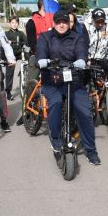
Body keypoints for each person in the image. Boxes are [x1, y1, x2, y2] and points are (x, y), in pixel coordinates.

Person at [36, 9, 101, 165]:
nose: (62, 25)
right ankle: (56, 139)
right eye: (58, 22)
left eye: (65, 22)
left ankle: (91, 150)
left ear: (69, 23)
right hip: (52, 80)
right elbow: (41, 54)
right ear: (54, 23)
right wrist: (43, 61)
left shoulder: (77, 37)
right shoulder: (46, 37)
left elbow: (81, 53)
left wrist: (81, 60)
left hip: (74, 81)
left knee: (84, 112)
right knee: (56, 103)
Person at [4, 16, 26, 100]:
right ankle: (8, 91)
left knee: (28, 62)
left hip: (19, 54)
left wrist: (25, 44)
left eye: (16, 23)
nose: (14, 24)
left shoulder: (20, 33)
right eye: (12, 22)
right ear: (9, 23)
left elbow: (25, 41)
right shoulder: (6, 33)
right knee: (10, 73)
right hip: (10, 56)